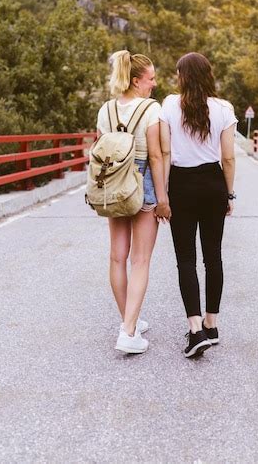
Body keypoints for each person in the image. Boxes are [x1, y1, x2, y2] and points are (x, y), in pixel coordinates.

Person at [159, 52, 237, 358]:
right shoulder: (223, 109)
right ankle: (212, 325)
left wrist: (163, 196)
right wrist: (229, 194)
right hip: (213, 182)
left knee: (186, 260)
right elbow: (228, 158)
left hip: (181, 185)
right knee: (213, 257)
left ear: (182, 76)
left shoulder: (168, 105)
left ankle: (195, 330)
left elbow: (165, 153)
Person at [96, 50, 170, 354]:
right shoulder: (151, 110)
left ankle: (130, 319)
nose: (154, 84)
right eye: (151, 79)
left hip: (114, 183)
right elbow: (156, 155)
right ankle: (128, 332)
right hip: (143, 182)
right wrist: (163, 198)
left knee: (117, 257)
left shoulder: (105, 110)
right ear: (137, 80)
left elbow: (99, 150)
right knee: (140, 260)